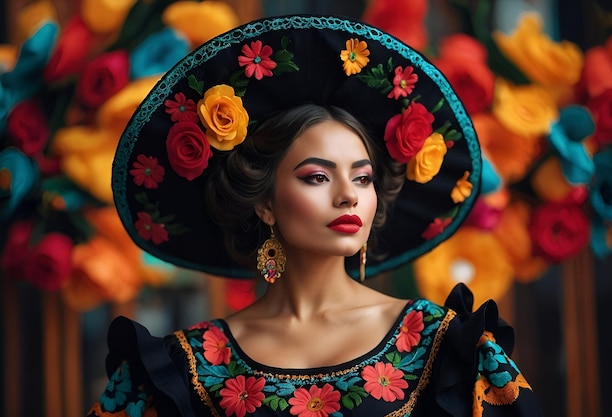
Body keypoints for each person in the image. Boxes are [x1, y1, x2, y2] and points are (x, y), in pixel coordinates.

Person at [89, 15, 544, 417]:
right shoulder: (185, 367)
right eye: (317, 177)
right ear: (264, 202)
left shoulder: (440, 345)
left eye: (362, 179)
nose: (348, 196)